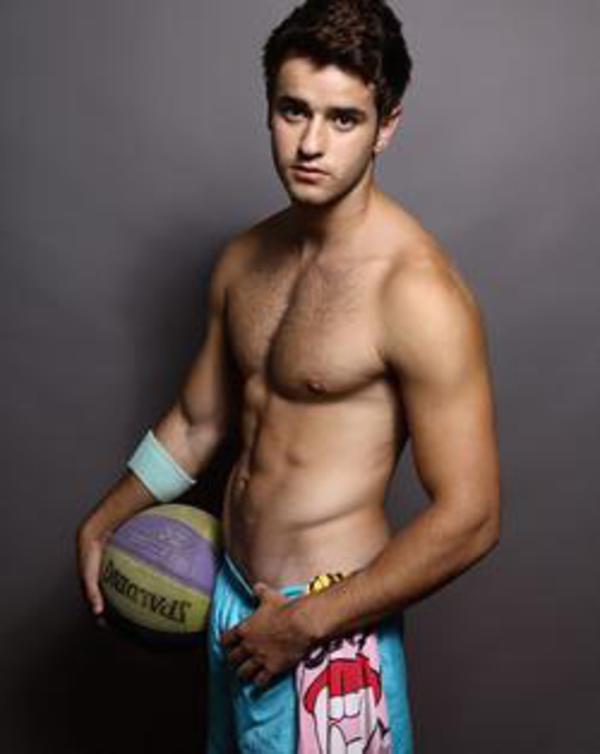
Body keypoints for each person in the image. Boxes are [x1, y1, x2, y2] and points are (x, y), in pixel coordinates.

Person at [77, 1, 502, 751]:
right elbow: (199, 421)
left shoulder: (416, 293)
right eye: (293, 110)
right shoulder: (244, 260)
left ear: (387, 126)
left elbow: (471, 516)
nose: (310, 143)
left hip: (328, 629)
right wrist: (104, 520)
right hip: (233, 600)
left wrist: (305, 623)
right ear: (269, 106)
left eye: (344, 119)